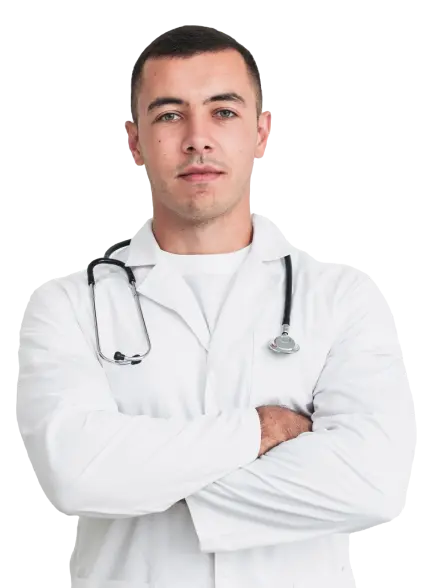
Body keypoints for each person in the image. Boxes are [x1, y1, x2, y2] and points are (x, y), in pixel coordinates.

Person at [17, 24, 413, 588]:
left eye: (223, 112)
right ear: (135, 141)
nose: (197, 139)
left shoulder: (344, 294)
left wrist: (142, 477)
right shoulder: (65, 304)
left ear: (261, 131)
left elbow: (376, 485)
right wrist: (259, 430)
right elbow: (73, 476)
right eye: (169, 115)